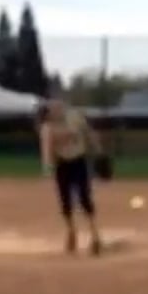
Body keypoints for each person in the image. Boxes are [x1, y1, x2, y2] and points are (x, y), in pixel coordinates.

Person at [37, 97, 105, 256]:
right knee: (65, 200)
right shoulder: (47, 127)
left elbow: (89, 133)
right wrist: (47, 168)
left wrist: (99, 151)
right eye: (50, 111)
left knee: (84, 197)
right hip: (62, 165)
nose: (51, 113)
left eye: (54, 109)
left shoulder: (75, 118)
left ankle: (95, 236)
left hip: (79, 161)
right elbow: (46, 150)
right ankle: (71, 231)